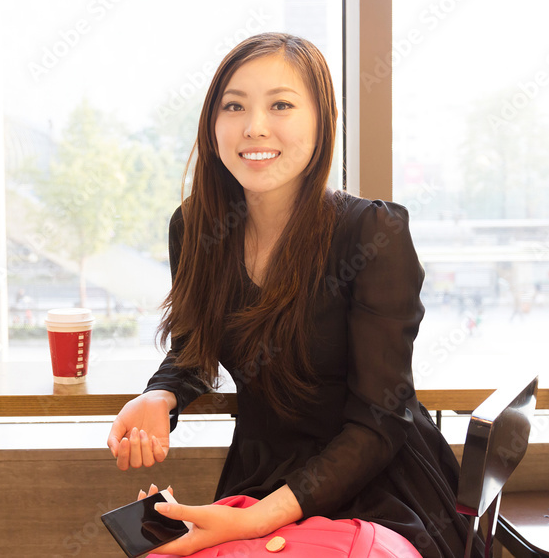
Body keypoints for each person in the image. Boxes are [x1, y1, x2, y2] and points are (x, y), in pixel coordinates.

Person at [106, 33, 473, 557]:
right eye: (234, 106)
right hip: (262, 476)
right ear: (212, 126)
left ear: (323, 120)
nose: (255, 125)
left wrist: (252, 522)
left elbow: (378, 423)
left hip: (380, 487)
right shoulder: (195, 228)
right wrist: (159, 397)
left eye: (281, 104)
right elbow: (194, 347)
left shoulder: (372, 232)